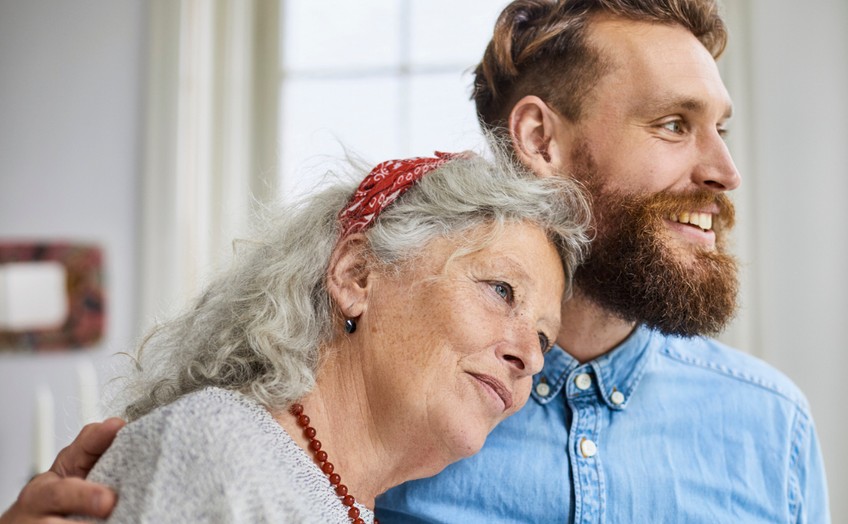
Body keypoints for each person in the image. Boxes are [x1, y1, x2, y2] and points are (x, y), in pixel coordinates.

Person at [3, 0, 832, 522]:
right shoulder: (410, 413)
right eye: (672, 124)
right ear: (540, 138)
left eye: (722, 127)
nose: (723, 170)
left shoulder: (773, 431)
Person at [0, 150, 590, 523]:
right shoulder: (219, 449)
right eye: (501, 290)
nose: (531, 356)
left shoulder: (336, 499)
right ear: (356, 275)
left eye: (544, 335)